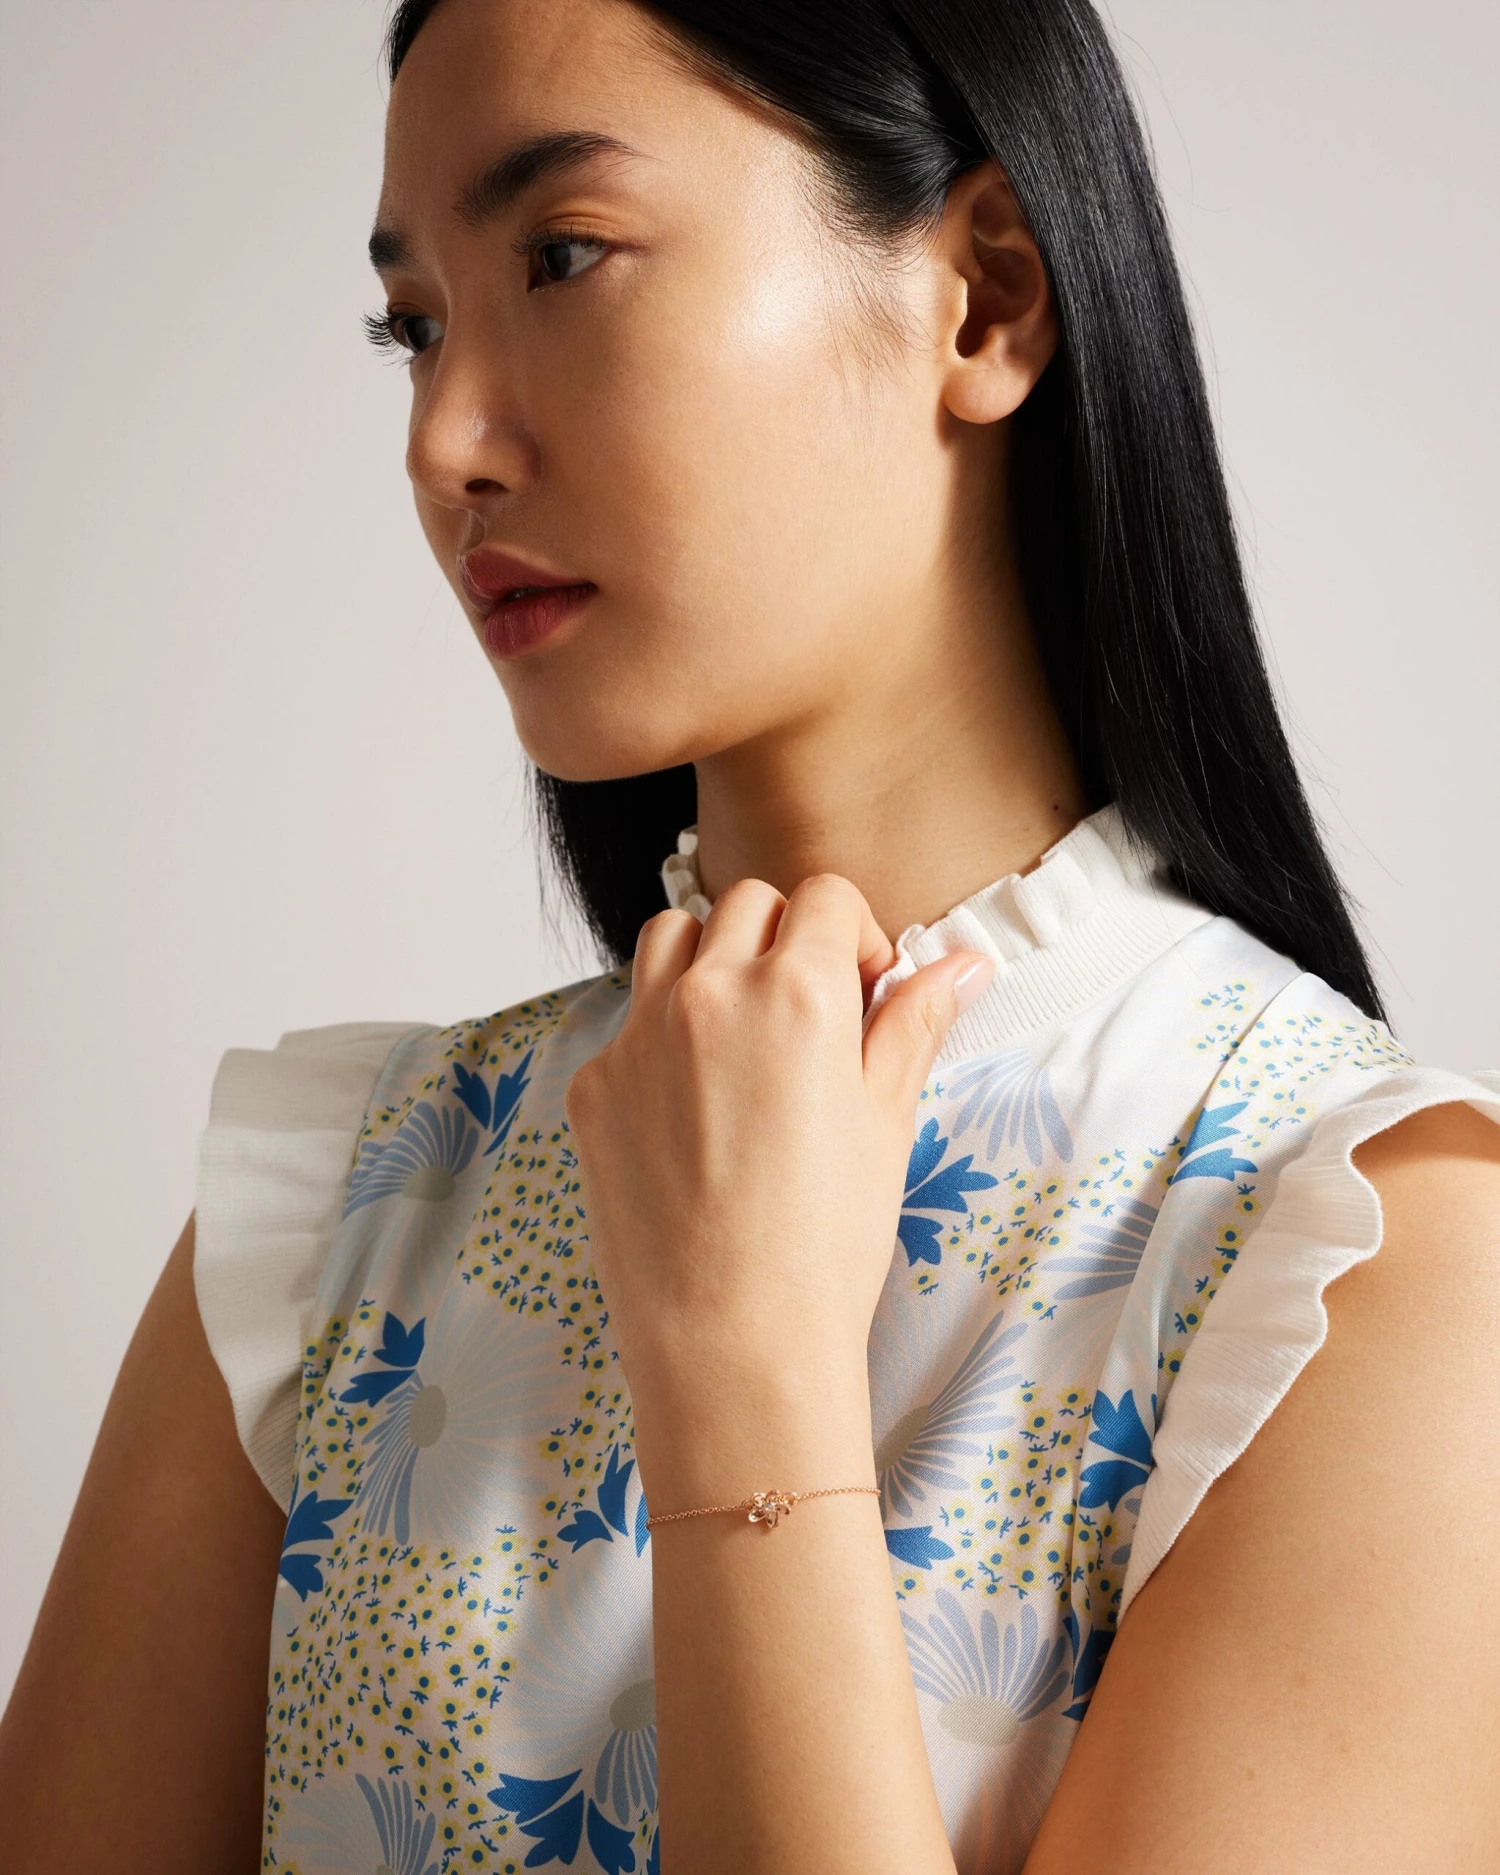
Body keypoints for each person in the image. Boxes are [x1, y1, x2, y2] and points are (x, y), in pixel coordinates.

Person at [3, 0, 1496, 1869]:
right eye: (416, 326)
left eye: (564, 256)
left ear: (984, 298)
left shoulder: (1353, 1255)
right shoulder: (332, 1224)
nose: (444, 440)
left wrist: (751, 1389)